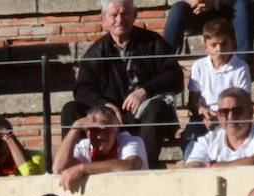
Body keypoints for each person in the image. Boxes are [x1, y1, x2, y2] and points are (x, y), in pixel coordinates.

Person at [63, 0, 181, 171]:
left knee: (157, 107)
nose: (120, 19)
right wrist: (104, 104)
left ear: (135, 15)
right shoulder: (95, 52)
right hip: (109, 120)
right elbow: (82, 88)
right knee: (70, 109)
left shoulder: (153, 42)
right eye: (114, 15)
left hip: (144, 114)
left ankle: (142, 169)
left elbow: (174, 75)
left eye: (125, 13)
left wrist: (145, 91)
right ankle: (72, 166)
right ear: (104, 19)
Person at [182, 18, 251, 159]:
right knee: (191, 143)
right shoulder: (199, 66)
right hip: (204, 119)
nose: (219, 49)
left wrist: (221, 117)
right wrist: (202, 111)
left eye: (224, 44)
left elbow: (244, 102)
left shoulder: (241, 67)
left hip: (231, 117)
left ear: (232, 44)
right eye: (214, 45)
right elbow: (192, 103)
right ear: (206, 47)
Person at [51, 104, 147, 192]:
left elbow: (130, 166)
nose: (99, 136)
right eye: (94, 130)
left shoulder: (131, 141)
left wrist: (83, 168)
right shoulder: (84, 145)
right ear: (87, 133)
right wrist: (76, 127)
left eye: (105, 129)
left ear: (117, 130)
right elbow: (58, 169)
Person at [184, 87, 254, 167]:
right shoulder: (208, 140)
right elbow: (193, 166)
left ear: (250, 113)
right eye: (224, 112)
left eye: (237, 111)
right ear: (219, 116)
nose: (231, 117)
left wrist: (219, 166)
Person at [162, 0, 254, 57]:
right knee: (178, 9)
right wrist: (195, 1)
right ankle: (162, 64)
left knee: (242, 4)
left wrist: (212, 1)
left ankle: (243, 65)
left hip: (229, 11)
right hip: (199, 11)